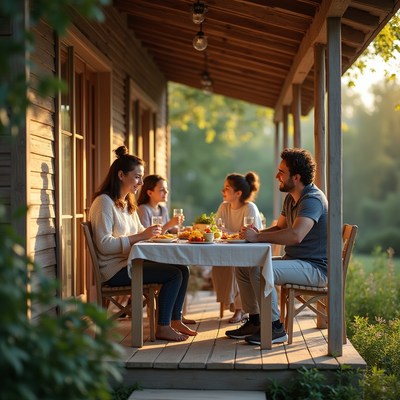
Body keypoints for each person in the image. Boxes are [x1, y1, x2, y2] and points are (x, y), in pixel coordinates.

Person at [89, 146, 197, 342]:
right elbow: (104, 244)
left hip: (131, 262)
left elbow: (141, 233)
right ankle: (163, 327)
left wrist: (153, 235)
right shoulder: (104, 203)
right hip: (115, 270)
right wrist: (139, 237)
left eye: (141, 177)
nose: (140, 182)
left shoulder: (127, 203)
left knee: (183, 268)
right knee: (173, 275)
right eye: (137, 177)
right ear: (121, 175)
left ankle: (174, 320)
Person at [226, 148, 328, 345]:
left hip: (316, 268)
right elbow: (280, 227)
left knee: (260, 268)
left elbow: (296, 235)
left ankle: (275, 328)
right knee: (244, 264)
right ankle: (256, 320)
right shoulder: (292, 198)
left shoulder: (313, 200)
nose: (276, 176)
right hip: (297, 262)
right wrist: (258, 233)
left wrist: (257, 238)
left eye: (282, 172)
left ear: (296, 177)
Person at [137, 174, 196, 325]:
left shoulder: (162, 209)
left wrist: (183, 229)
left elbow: (167, 233)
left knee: (184, 268)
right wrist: (169, 225)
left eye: (166, 190)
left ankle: (177, 316)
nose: (166, 193)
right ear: (149, 192)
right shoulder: (143, 210)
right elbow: (146, 236)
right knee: (178, 271)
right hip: (148, 256)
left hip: (161, 254)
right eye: (162, 190)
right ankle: (168, 320)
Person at [213, 172, 263, 323]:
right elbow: (216, 228)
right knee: (220, 266)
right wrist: (224, 232)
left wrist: (228, 233)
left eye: (227, 188)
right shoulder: (224, 207)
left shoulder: (250, 208)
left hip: (248, 253)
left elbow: (250, 234)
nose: (223, 191)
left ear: (238, 193)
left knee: (239, 267)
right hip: (227, 250)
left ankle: (240, 310)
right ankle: (233, 305)